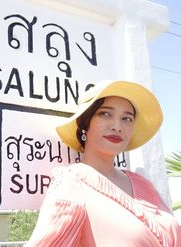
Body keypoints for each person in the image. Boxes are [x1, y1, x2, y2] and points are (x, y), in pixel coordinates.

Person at [25, 80, 181, 247]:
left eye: (127, 118)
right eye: (105, 114)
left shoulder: (143, 184)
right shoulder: (72, 183)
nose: (117, 126)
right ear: (85, 124)